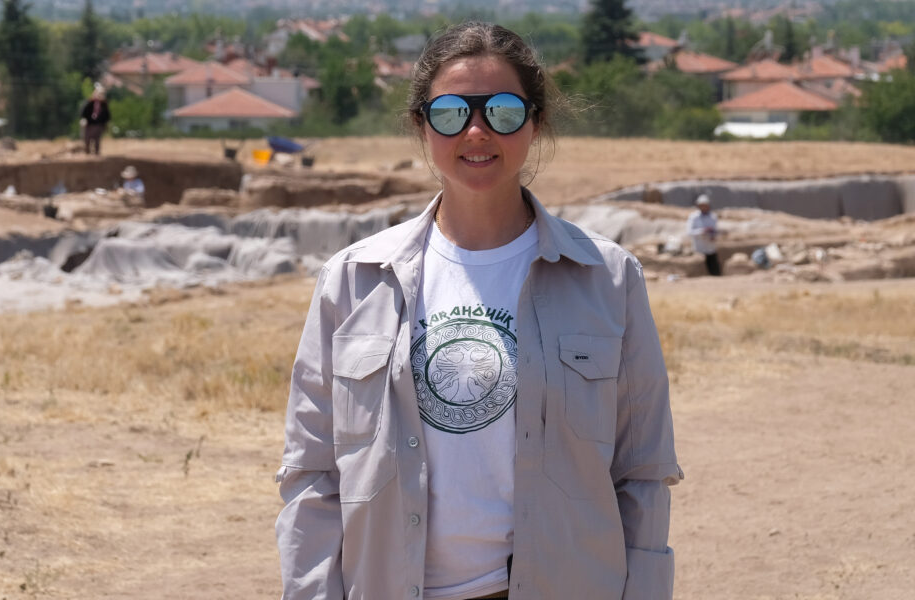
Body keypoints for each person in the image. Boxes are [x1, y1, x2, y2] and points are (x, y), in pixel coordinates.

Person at [276, 22, 681, 600]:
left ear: (536, 122)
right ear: (421, 124)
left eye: (503, 111)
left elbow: (641, 474)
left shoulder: (608, 279)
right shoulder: (353, 281)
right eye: (450, 113)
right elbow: (312, 474)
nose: (476, 130)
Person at [687, 194, 721, 276]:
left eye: (705, 205)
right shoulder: (693, 217)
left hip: (711, 249)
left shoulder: (713, 216)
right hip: (699, 249)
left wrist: (713, 235)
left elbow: (716, 230)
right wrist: (702, 231)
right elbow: (689, 232)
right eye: (702, 205)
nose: (704, 207)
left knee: (715, 272)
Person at [80, 86, 111, 155]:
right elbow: (83, 112)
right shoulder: (89, 102)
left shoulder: (104, 104)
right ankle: (87, 152)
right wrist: (83, 119)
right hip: (89, 124)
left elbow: (107, 115)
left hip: (99, 124)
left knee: (97, 139)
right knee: (87, 139)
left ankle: (96, 153)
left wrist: (106, 123)